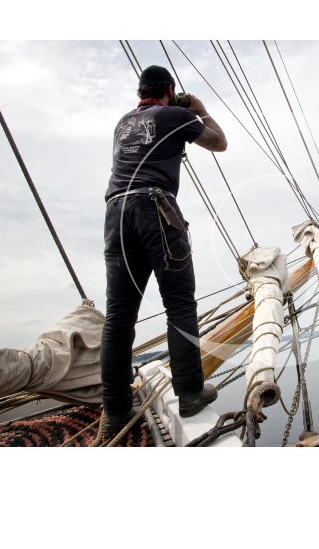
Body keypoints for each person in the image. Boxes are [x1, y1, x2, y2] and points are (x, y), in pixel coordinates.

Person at [100, 65, 227, 437]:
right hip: (155, 208)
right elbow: (219, 142)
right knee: (179, 304)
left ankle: (115, 411)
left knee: (119, 316)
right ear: (170, 89)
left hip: (115, 214)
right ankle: (189, 392)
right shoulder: (175, 115)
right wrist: (199, 109)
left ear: (141, 91)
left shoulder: (122, 123)